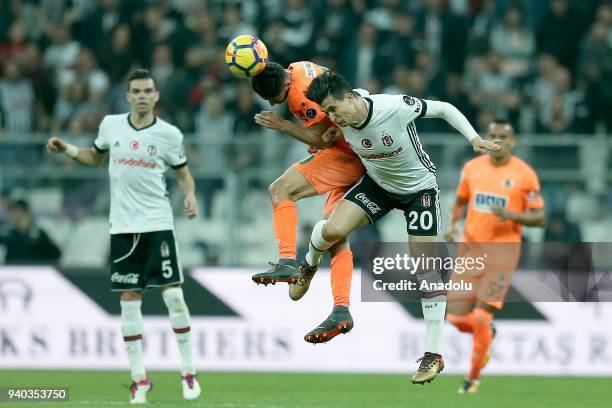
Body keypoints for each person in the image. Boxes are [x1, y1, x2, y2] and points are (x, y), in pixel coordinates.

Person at [301, 71, 501, 384]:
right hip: (378, 186)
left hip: (418, 191)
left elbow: (444, 108)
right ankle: (308, 265)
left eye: (334, 109)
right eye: (327, 112)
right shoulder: (343, 116)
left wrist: (473, 138)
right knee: (331, 231)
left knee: (426, 269)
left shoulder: (393, 106)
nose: (332, 116)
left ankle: (434, 355)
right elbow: (333, 130)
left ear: (350, 97)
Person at [46, 69, 201, 404]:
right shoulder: (110, 125)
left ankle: (188, 372)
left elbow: (184, 175)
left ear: (156, 95)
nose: (143, 95)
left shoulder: (169, 134)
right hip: (123, 228)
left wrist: (190, 195)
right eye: (136, 91)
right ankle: (139, 379)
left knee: (173, 296)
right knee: (129, 302)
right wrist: (68, 149)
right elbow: (94, 157)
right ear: (128, 95)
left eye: (148, 90)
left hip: (158, 224)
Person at [249, 61, 365, 344]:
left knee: (280, 190)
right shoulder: (301, 67)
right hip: (363, 151)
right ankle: (341, 308)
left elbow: (322, 139)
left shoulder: (298, 96)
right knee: (334, 233)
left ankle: (288, 260)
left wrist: (284, 125)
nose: (271, 103)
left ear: (281, 88)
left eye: (270, 98)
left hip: (347, 156)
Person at [444, 119, 546, 394]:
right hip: (469, 250)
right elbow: (462, 200)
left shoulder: (525, 175)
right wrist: (453, 223)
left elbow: (539, 217)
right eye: (492, 135)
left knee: (480, 318)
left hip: (502, 255)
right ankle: (488, 334)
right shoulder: (472, 168)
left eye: (503, 136)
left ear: (513, 142)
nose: (497, 140)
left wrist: (513, 215)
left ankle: (472, 379)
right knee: (453, 317)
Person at [0, 199, 61, 264]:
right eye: (12, 213)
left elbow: (55, 254)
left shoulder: (38, 234)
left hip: (34, 270)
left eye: (19, 213)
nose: (14, 217)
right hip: (13, 270)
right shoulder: (9, 233)